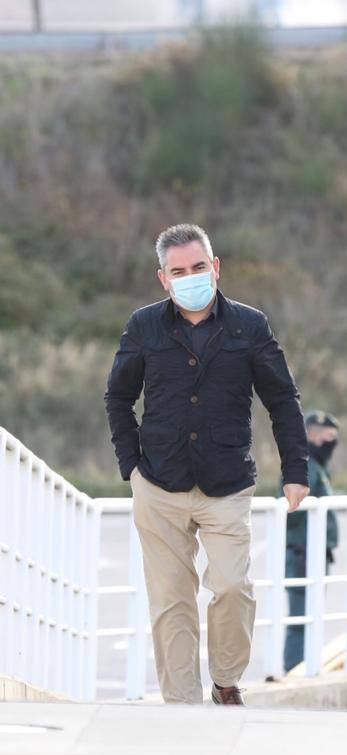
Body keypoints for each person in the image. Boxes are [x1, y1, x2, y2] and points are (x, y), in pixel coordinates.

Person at [104, 223, 309, 706]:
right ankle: (182, 706)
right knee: (172, 601)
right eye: (179, 271)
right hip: (158, 481)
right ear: (163, 279)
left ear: (215, 268)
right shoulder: (144, 326)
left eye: (198, 267)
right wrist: (130, 465)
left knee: (233, 585)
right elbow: (118, 396)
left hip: (227, 482)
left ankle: (225, 681)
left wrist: (295, 469)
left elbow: (282, 399)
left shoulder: (250, 326)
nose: (190, 276)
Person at [283, 410, 340, 673]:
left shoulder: (317, 466)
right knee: (300, 619)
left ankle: (306, 667)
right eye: (327, 437)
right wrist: (304, 544)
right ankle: (294, 669)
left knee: (311, 616)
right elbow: (290, 513)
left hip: (314, 553)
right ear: (312, 435)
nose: (331, 443)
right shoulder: (303, 465)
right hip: (303, 552)